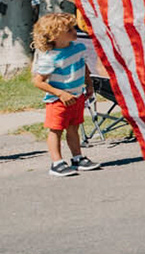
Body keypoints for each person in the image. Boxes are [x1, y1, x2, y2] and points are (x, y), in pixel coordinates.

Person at [31, 13, 100, 177]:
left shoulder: (78, 48)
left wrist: (88, 84)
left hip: (76, 96)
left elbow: (84, 66)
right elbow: (38, 82)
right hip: (58, 101)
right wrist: (60, 93)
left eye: (73, 27)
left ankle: (77, 158)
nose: (74, 31)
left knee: (73, 128)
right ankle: (57, 163)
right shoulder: (51, 57)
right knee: (56, 130)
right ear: (55, 35)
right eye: (68, 29)